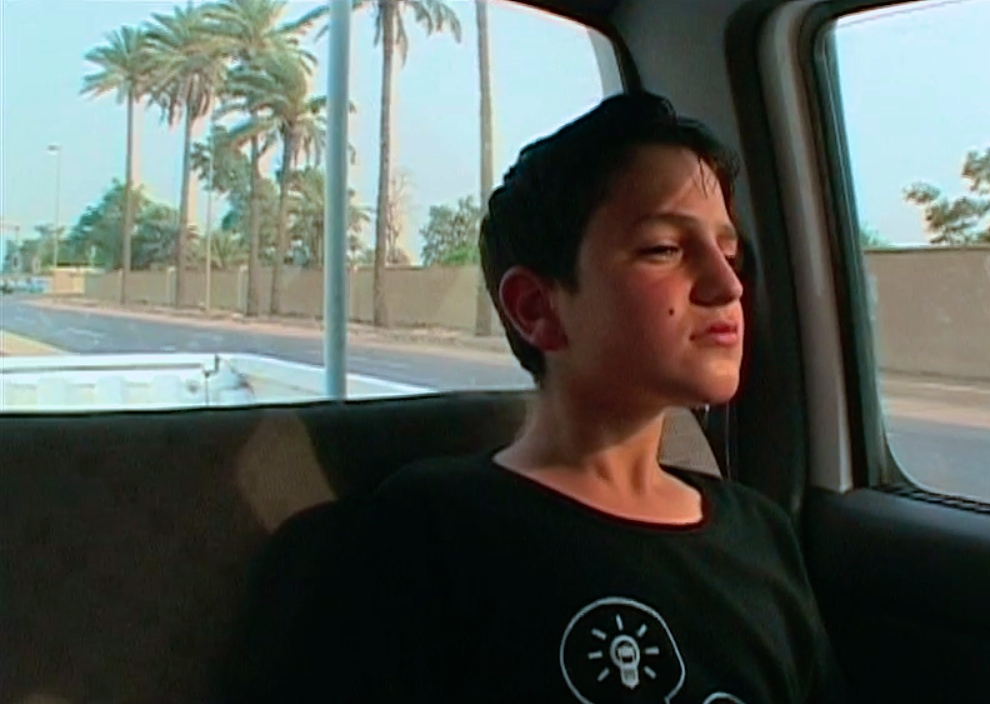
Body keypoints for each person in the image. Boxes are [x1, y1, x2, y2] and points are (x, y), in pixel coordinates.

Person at [233, 91, 846, 704]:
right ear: (536, 309)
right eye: (663, 249)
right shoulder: (429, 535)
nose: (727, 284)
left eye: (730, 253)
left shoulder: (761, 535)